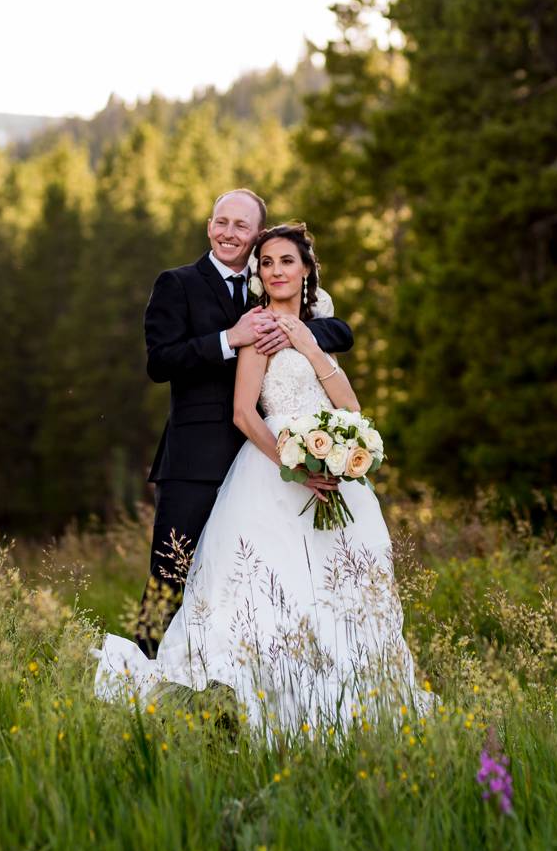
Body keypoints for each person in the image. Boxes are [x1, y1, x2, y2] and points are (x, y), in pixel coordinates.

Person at [99, 222, 430, 734]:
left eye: (286, 262)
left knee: (330, 587)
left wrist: (311, 346)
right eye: (268, 263)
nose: (276, 270)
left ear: (305, 270)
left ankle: (337, 695)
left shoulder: (318, 326)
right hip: (245, 465)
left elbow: (350, 404)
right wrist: (294, 464)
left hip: (328, 473)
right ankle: (156, 670)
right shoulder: (239, 320)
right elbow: (236, 407)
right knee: (179, 572)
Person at [129, 189, 352, 656]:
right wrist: (230, 338)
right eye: (221, 222)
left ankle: (227, 675)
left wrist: (293, 331)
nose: (229, 233)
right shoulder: (178, 283)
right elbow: (159, 361)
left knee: (249, 581)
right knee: (170, 574)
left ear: (256, 237)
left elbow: (340, 331)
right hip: (195, 461)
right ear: (210, 226)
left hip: (263, 465)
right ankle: (142, 670)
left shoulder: (269, 285)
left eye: (241, 226)